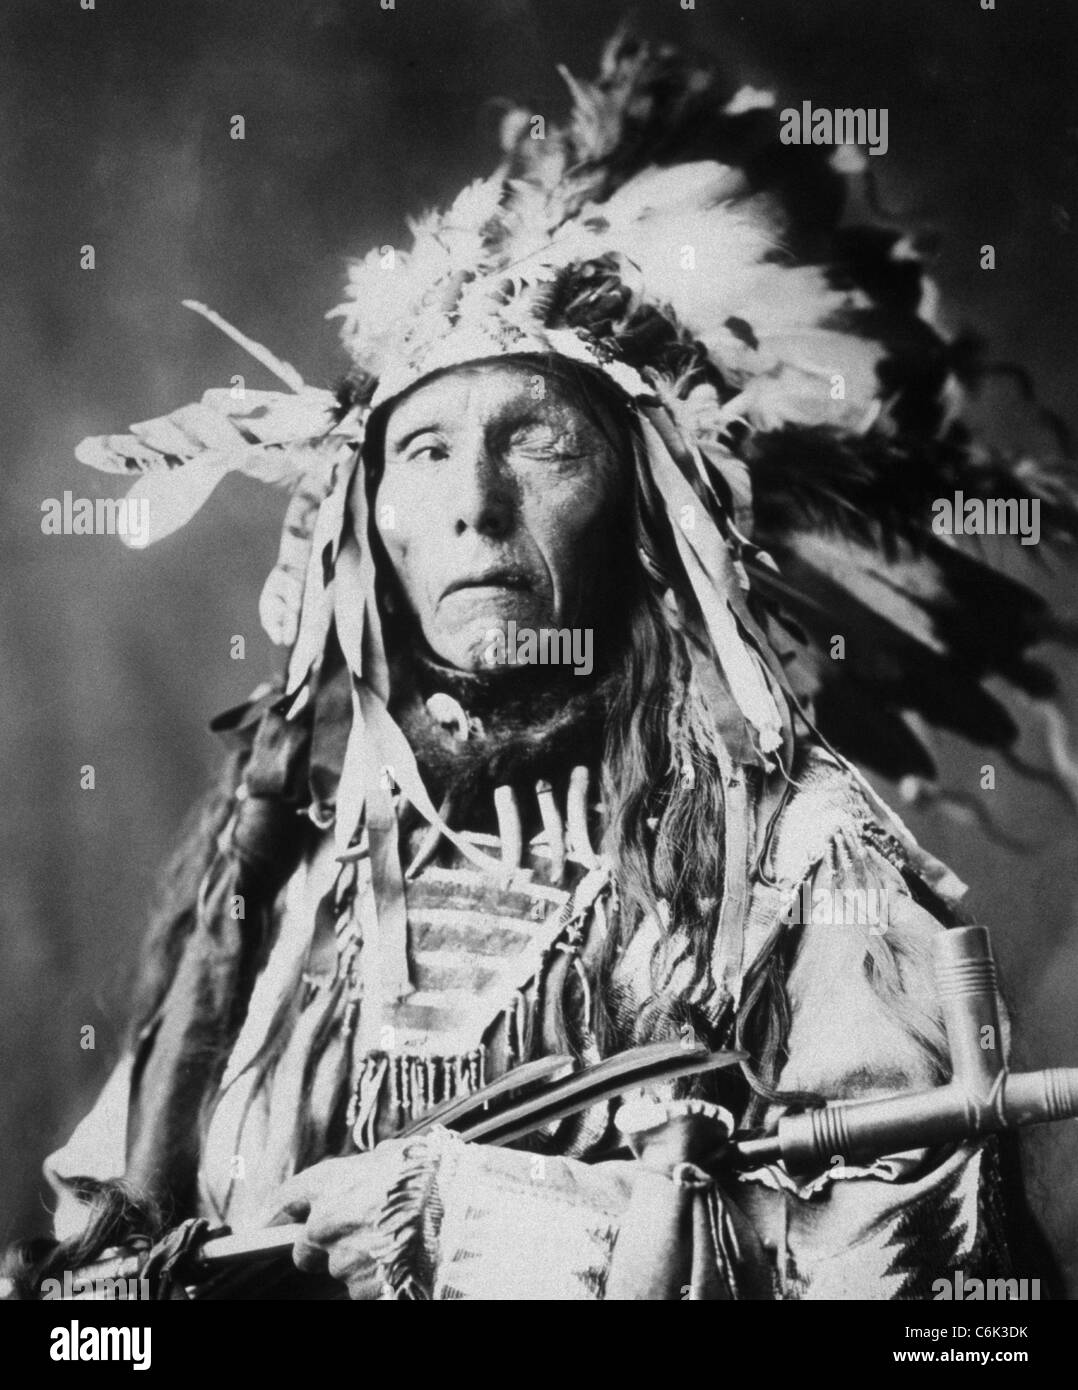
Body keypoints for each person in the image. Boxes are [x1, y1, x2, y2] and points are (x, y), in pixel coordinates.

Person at [40, 33, 1071, 1300]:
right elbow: (95, 1274)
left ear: (645, 512)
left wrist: (485, 1224)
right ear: (367, 530)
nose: (474, 501)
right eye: (420, 450)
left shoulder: (798, 855)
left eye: (539, 442)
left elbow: (921, 1292)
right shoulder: (288, 875)